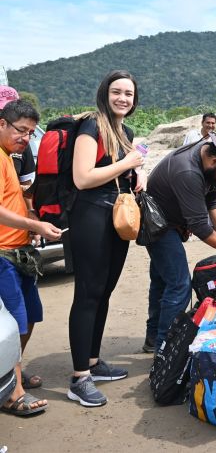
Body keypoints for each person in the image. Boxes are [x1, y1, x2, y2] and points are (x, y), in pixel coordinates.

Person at [67, 70, 146, 407]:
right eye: (117, 92)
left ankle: (94, 362)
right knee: (88, 293)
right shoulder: (91, 126)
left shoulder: (123, 131)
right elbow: (83, 178)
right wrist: (127, 162)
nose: (123, 99)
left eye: (128, 94)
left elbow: (117, 169)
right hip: (90, 216)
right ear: (105, 93)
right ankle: (79, 378)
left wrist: (136, 172)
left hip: (115, 217)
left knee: (104, 291)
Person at [143, 133, 216, 353]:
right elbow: (201, 227)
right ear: (215, 161)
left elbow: (213, 199)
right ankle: (165, 349)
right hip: (158, 225)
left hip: (173, 223)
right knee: (179, 285)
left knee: (162, 282)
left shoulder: (209, 161)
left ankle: (154, 337)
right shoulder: (188, 172)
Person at [0, 98, 62, 416]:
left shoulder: (9, 157)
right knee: (14, 322)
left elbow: (13, 199)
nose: (25, 138)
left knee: (30, 318)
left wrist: (32, 212)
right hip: (2, 255)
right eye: (20, 130)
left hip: (20, 252)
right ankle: (13, 393)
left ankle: (10, 377)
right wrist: (34, 223)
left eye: (30, 133)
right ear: (1, 124)